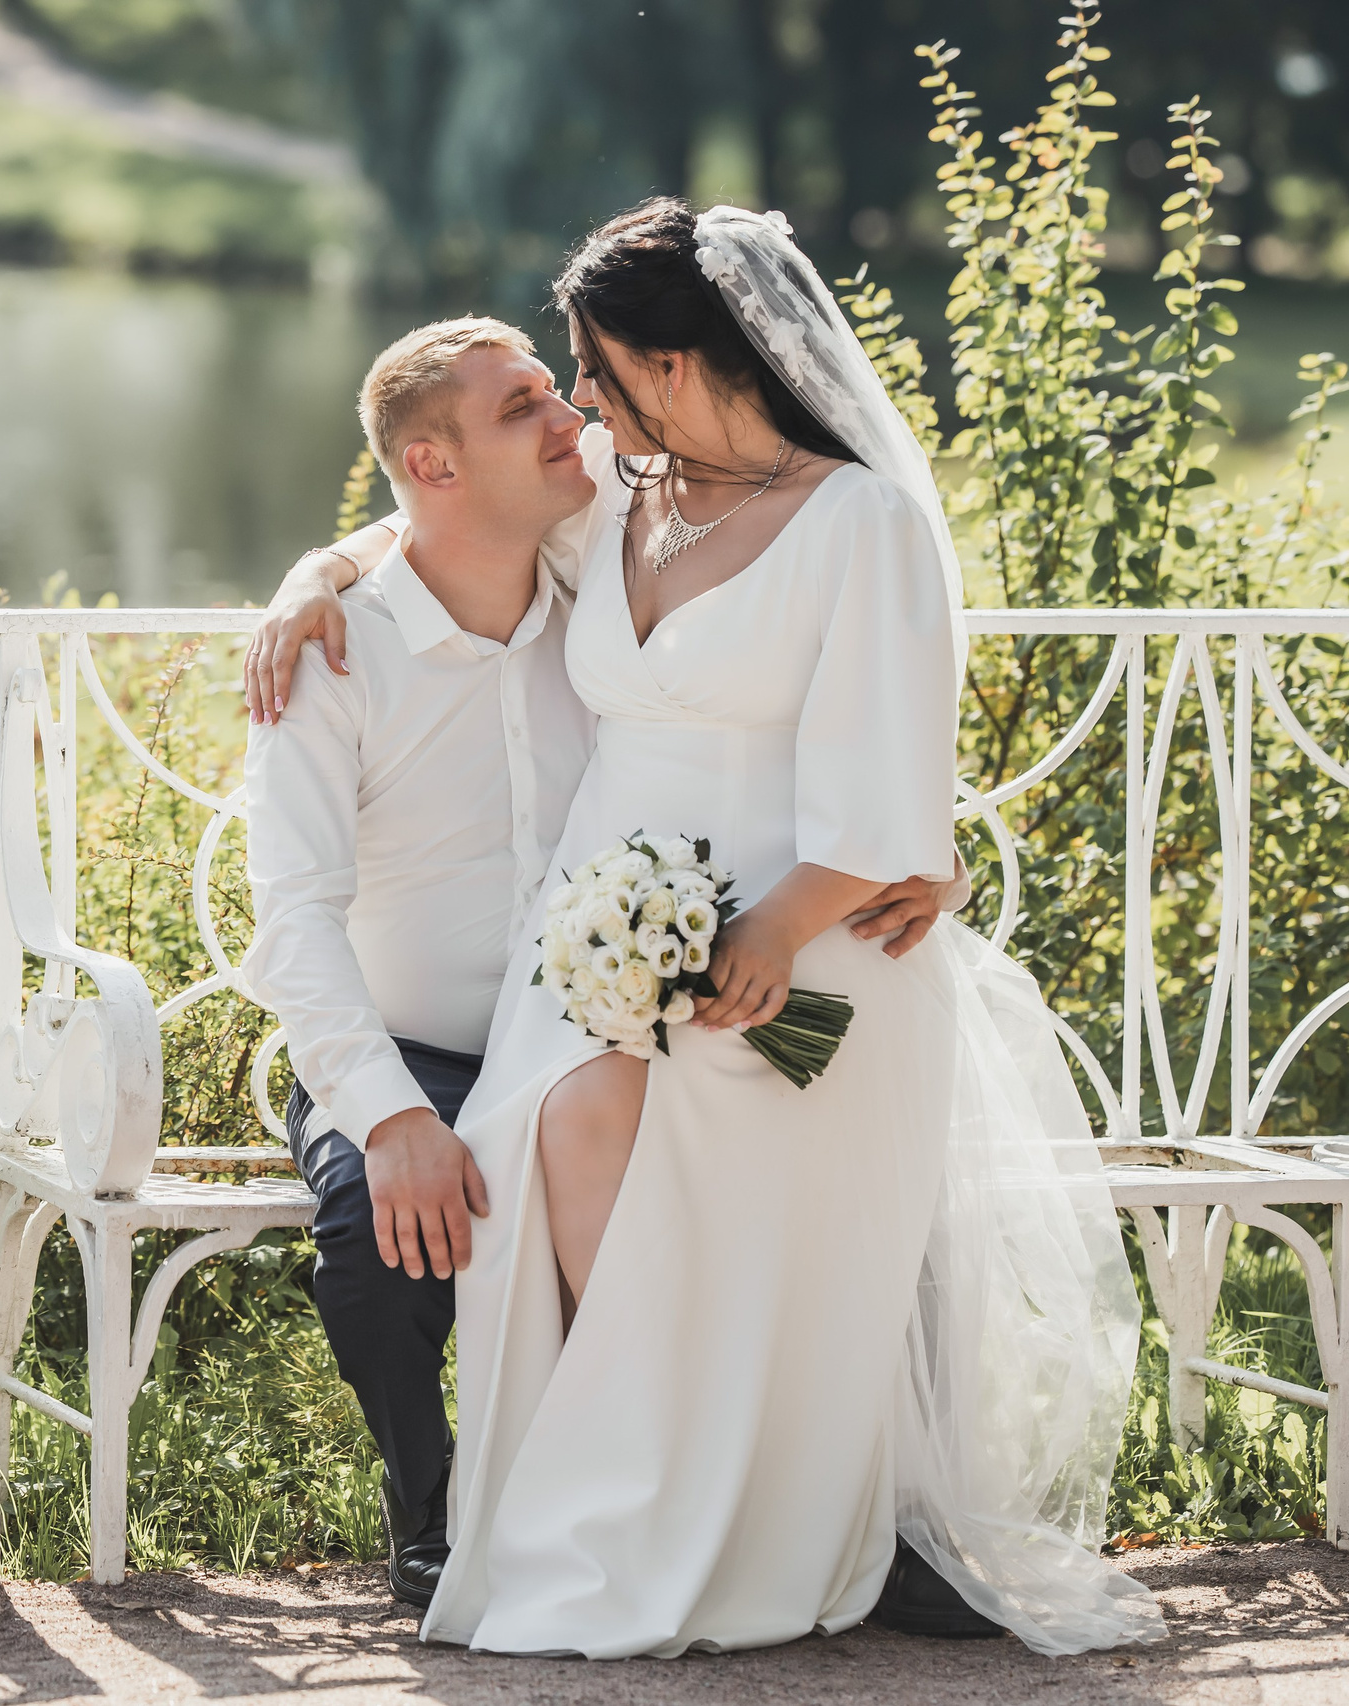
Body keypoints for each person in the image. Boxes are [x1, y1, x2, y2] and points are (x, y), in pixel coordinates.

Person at [248, 200, 1164, 1659]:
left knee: (686, 1156)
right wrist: (317, 575)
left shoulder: (837, 517)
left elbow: (880, 770)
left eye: (589, 371)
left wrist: (807, 913)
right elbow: (431, 505)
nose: (578, 404)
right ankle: (611, 1507)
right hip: (591, 952)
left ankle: (783, 1518)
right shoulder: (618, 494)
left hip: (794, 937)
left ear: (670, 365)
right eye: (555, 389)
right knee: (556, 1135)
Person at [237, 312, 950, 1612]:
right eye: (525, 407)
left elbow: (788, 684)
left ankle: (789, 1509)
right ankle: (432, 1508)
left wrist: (910, 848)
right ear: (435, 466)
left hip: (601, 1026)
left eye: (557, 390)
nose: (572, 418)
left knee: (765, 1148)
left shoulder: (599, 585)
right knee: (375, 1237)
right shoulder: (339, 656)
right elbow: (291, 919)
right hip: (406, 1054)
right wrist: (389, 1116)